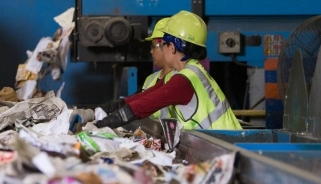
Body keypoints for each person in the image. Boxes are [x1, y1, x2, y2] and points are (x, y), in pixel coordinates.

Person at [95, 10, 241, 131]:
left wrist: (99, 125)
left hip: (227, 149)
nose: (161, 49)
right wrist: (104, 109)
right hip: (224, 144)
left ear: (172, 47)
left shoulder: (184, 80)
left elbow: (144, 105)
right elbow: (144, 96)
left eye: (163, 44)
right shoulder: (185, 73)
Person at [141, 18, 176, 119]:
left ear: (166, 46)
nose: (151, 51)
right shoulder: (150, 79)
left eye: (153, 46)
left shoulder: (179, 78)